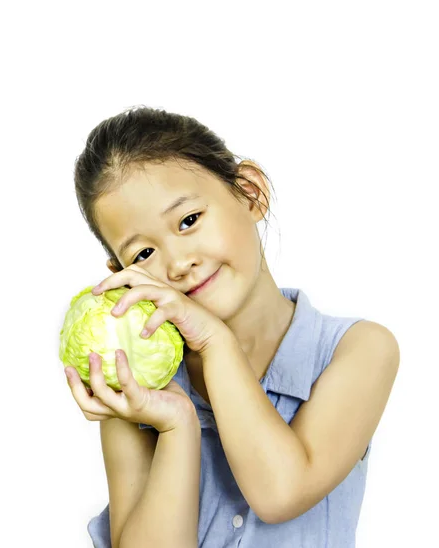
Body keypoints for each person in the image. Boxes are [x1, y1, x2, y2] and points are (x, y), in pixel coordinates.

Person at [64, 105, 400, 548]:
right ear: (120, 272)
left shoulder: (358, 350)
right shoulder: (137, 390)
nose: (180, 264)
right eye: (143, 254)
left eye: (189, 221)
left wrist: (217, 343)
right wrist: (175, 425)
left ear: (250, 192)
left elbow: (281, 492)